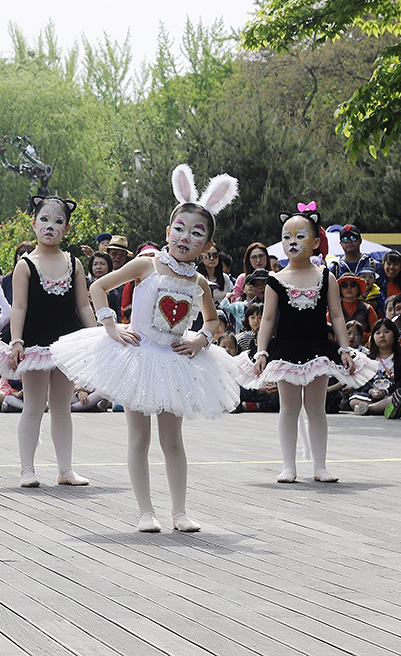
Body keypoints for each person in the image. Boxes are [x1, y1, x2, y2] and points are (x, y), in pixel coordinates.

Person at [56, 165, 243, 532]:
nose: (186, 237)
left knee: (172, 439)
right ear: (168, 231)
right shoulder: (147, 264)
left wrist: (200, 339)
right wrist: (109, 325)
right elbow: (98, 288)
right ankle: (145, 511)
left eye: (197, 233)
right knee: (139, 437)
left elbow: (212, 321)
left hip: (175, 362)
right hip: (137, 357)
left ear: (206, 246)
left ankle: (179, 511)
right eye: (180, 229)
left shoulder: (200, 281)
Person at [0, 196, 95, 487]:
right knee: (34, 406)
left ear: (66, 229)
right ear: (34, 223)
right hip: (35, 343)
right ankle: (27, 469)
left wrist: (96, 337)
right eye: (44, 220)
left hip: (66, 342)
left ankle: (65, 469)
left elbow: (83, 306)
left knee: (63, 407)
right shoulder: (26, 265)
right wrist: (17, 341)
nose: (50, 227)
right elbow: (19, 307)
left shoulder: (74, 263)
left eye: (58, 222)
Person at [249, 206, 372, 484]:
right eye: (287, 237)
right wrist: (261, 351)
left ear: (316, 242)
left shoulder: (326, 276)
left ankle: (320, 465)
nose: (292, 243)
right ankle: (288, 466)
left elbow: (337, 314)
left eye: (300, 236)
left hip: (319, 350)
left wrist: (344, 349)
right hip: (286, 350)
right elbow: (267, 319)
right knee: (289, 407)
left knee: (316, 407)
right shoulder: (275, 280)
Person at [348, 320, 401, 415]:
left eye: (386, 332)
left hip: (391, 393)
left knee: (398, 396)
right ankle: (386, 407)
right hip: (372, 395)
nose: (382, 336)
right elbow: (362, 380)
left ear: (395, 335)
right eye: (378, 333)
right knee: (354, 400)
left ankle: (371, 408)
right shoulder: (367, 357)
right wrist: (371, 391)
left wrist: (386, 391)